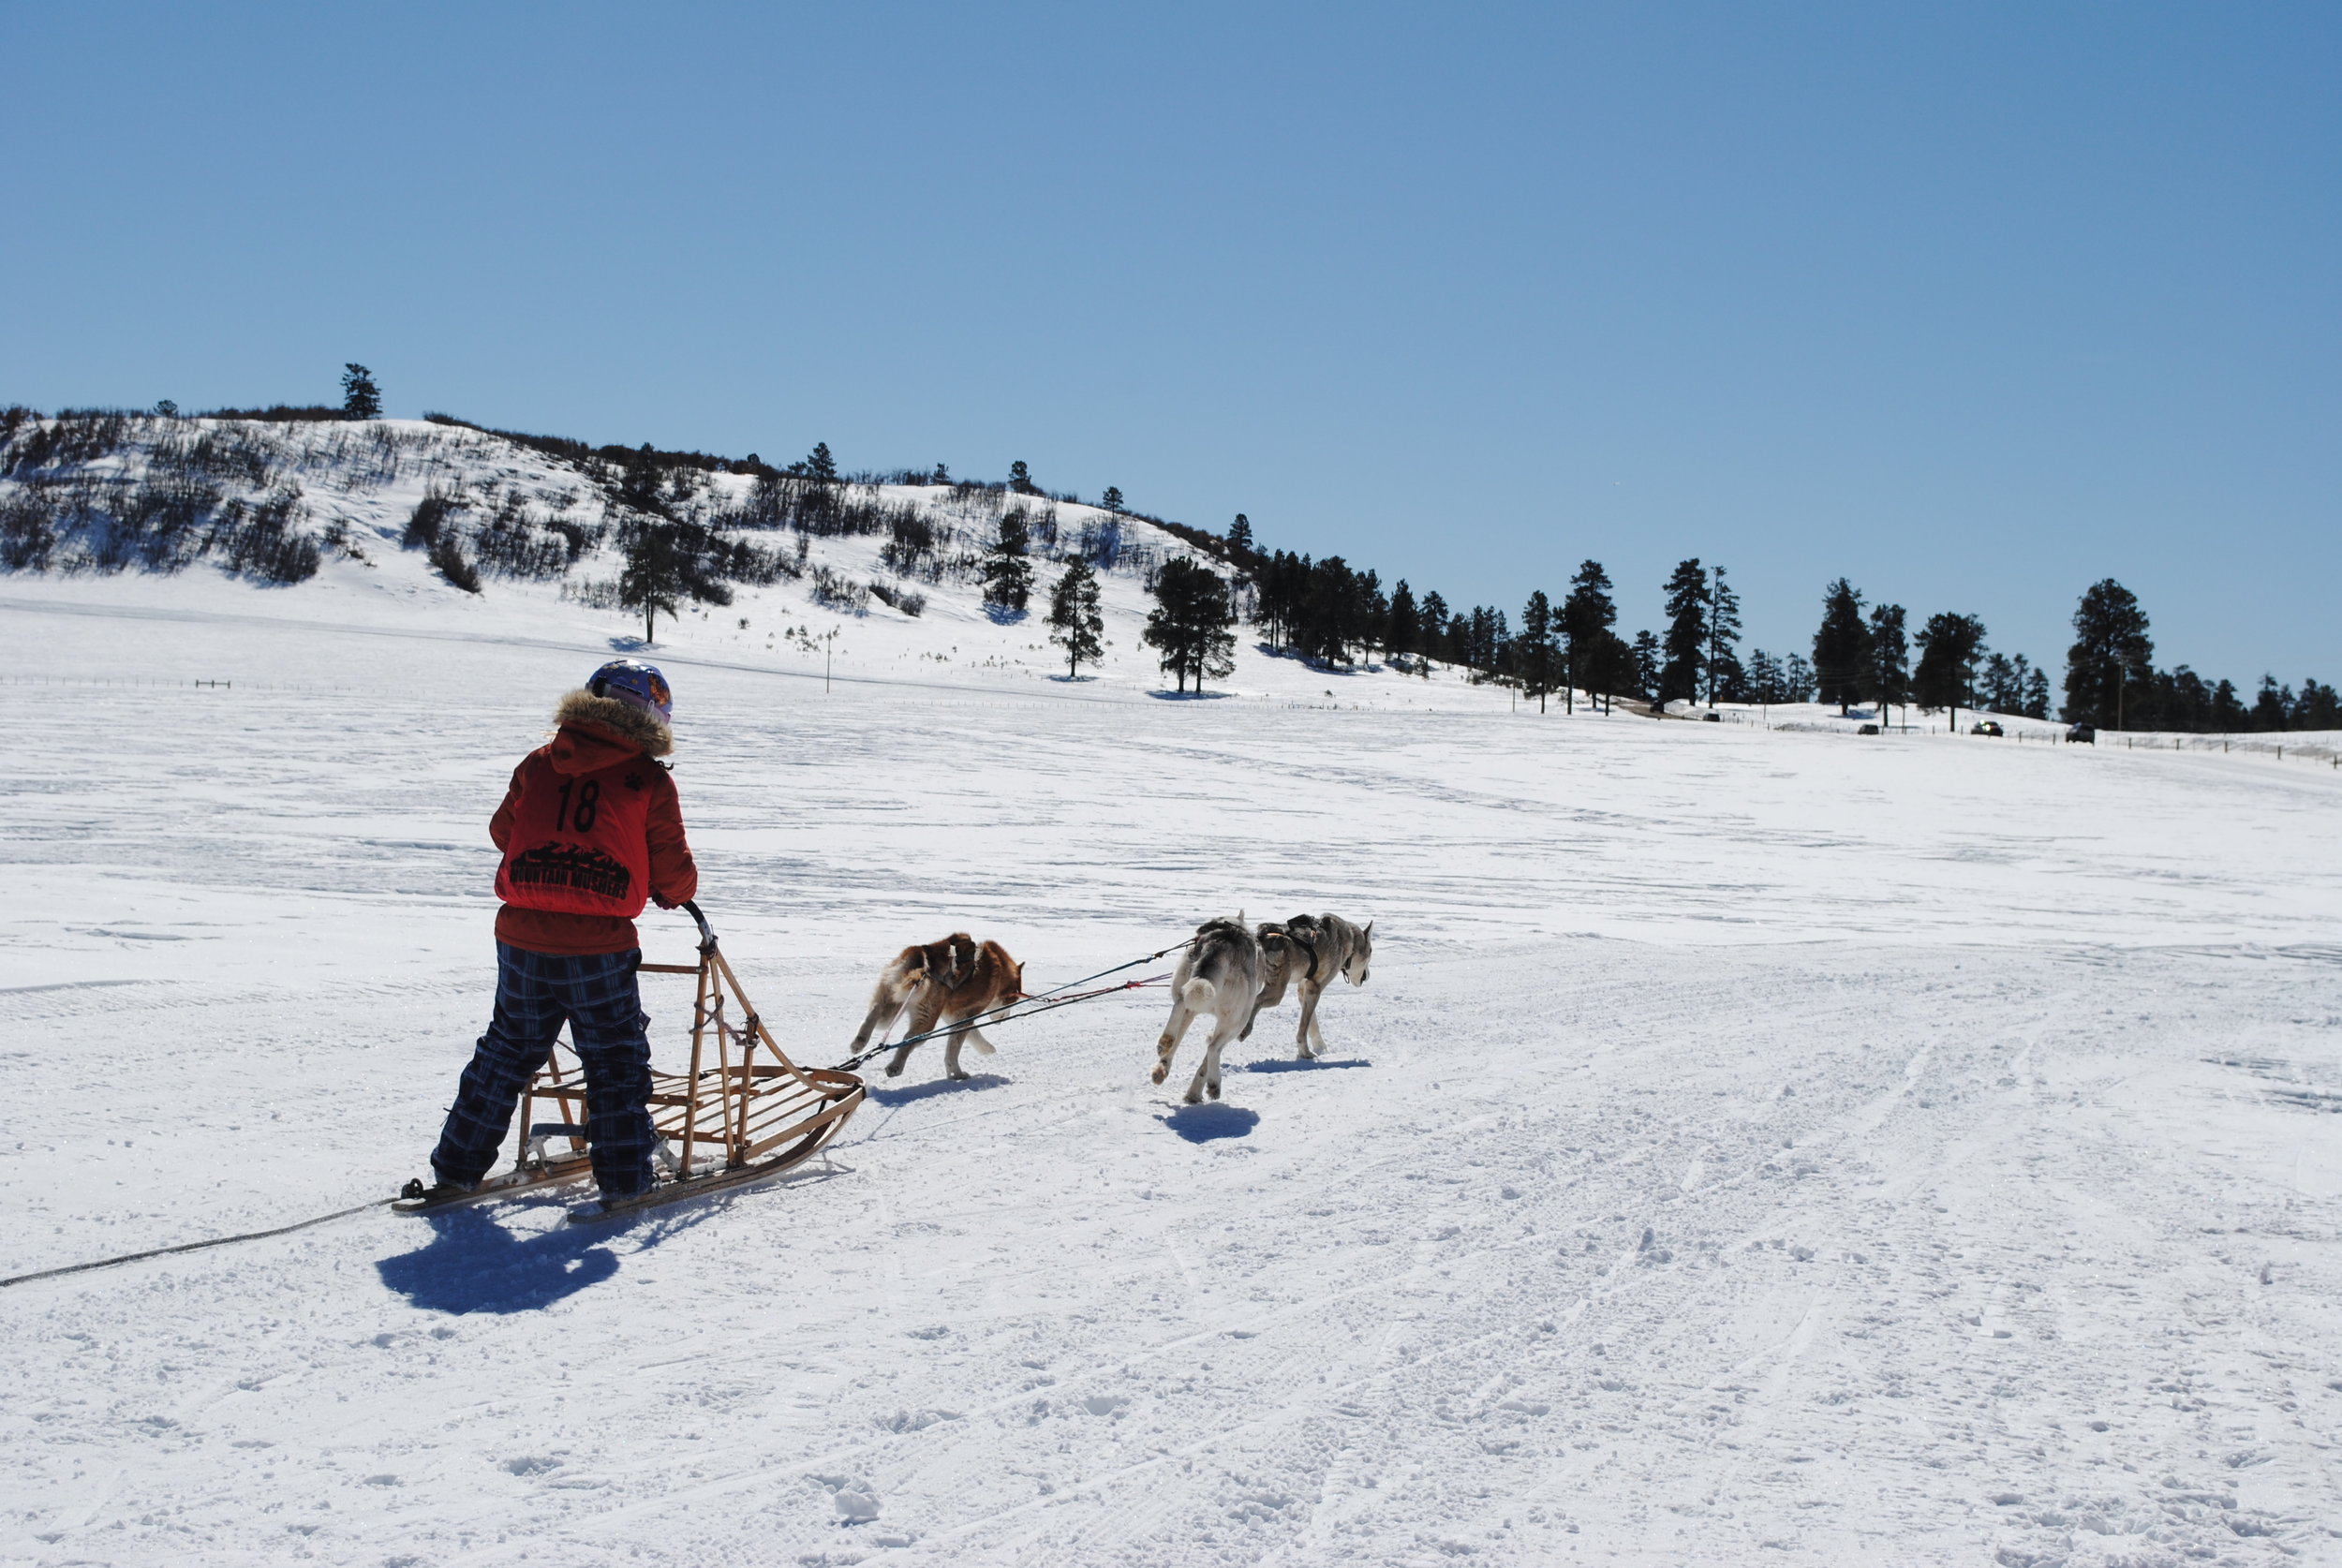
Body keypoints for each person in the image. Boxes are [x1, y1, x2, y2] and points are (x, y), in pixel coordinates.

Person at [424, 659, 698, 1210]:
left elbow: (504, 832)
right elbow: (672, 874)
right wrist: (671, 894)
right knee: (614, 1060)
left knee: (506, 1050)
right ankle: (624, 1181)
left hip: (521, 933)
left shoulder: (540, 762)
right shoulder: (648, 780)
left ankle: (456, 1167)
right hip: (598, 943)